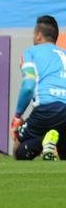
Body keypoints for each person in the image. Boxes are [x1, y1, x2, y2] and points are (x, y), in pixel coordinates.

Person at [11, 15, 66, 161]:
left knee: (18, 149)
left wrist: (17, 116)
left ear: (39, 35)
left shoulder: (31, 52)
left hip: (46, 110)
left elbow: (28, 86)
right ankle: (51, 143)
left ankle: (44, 141)